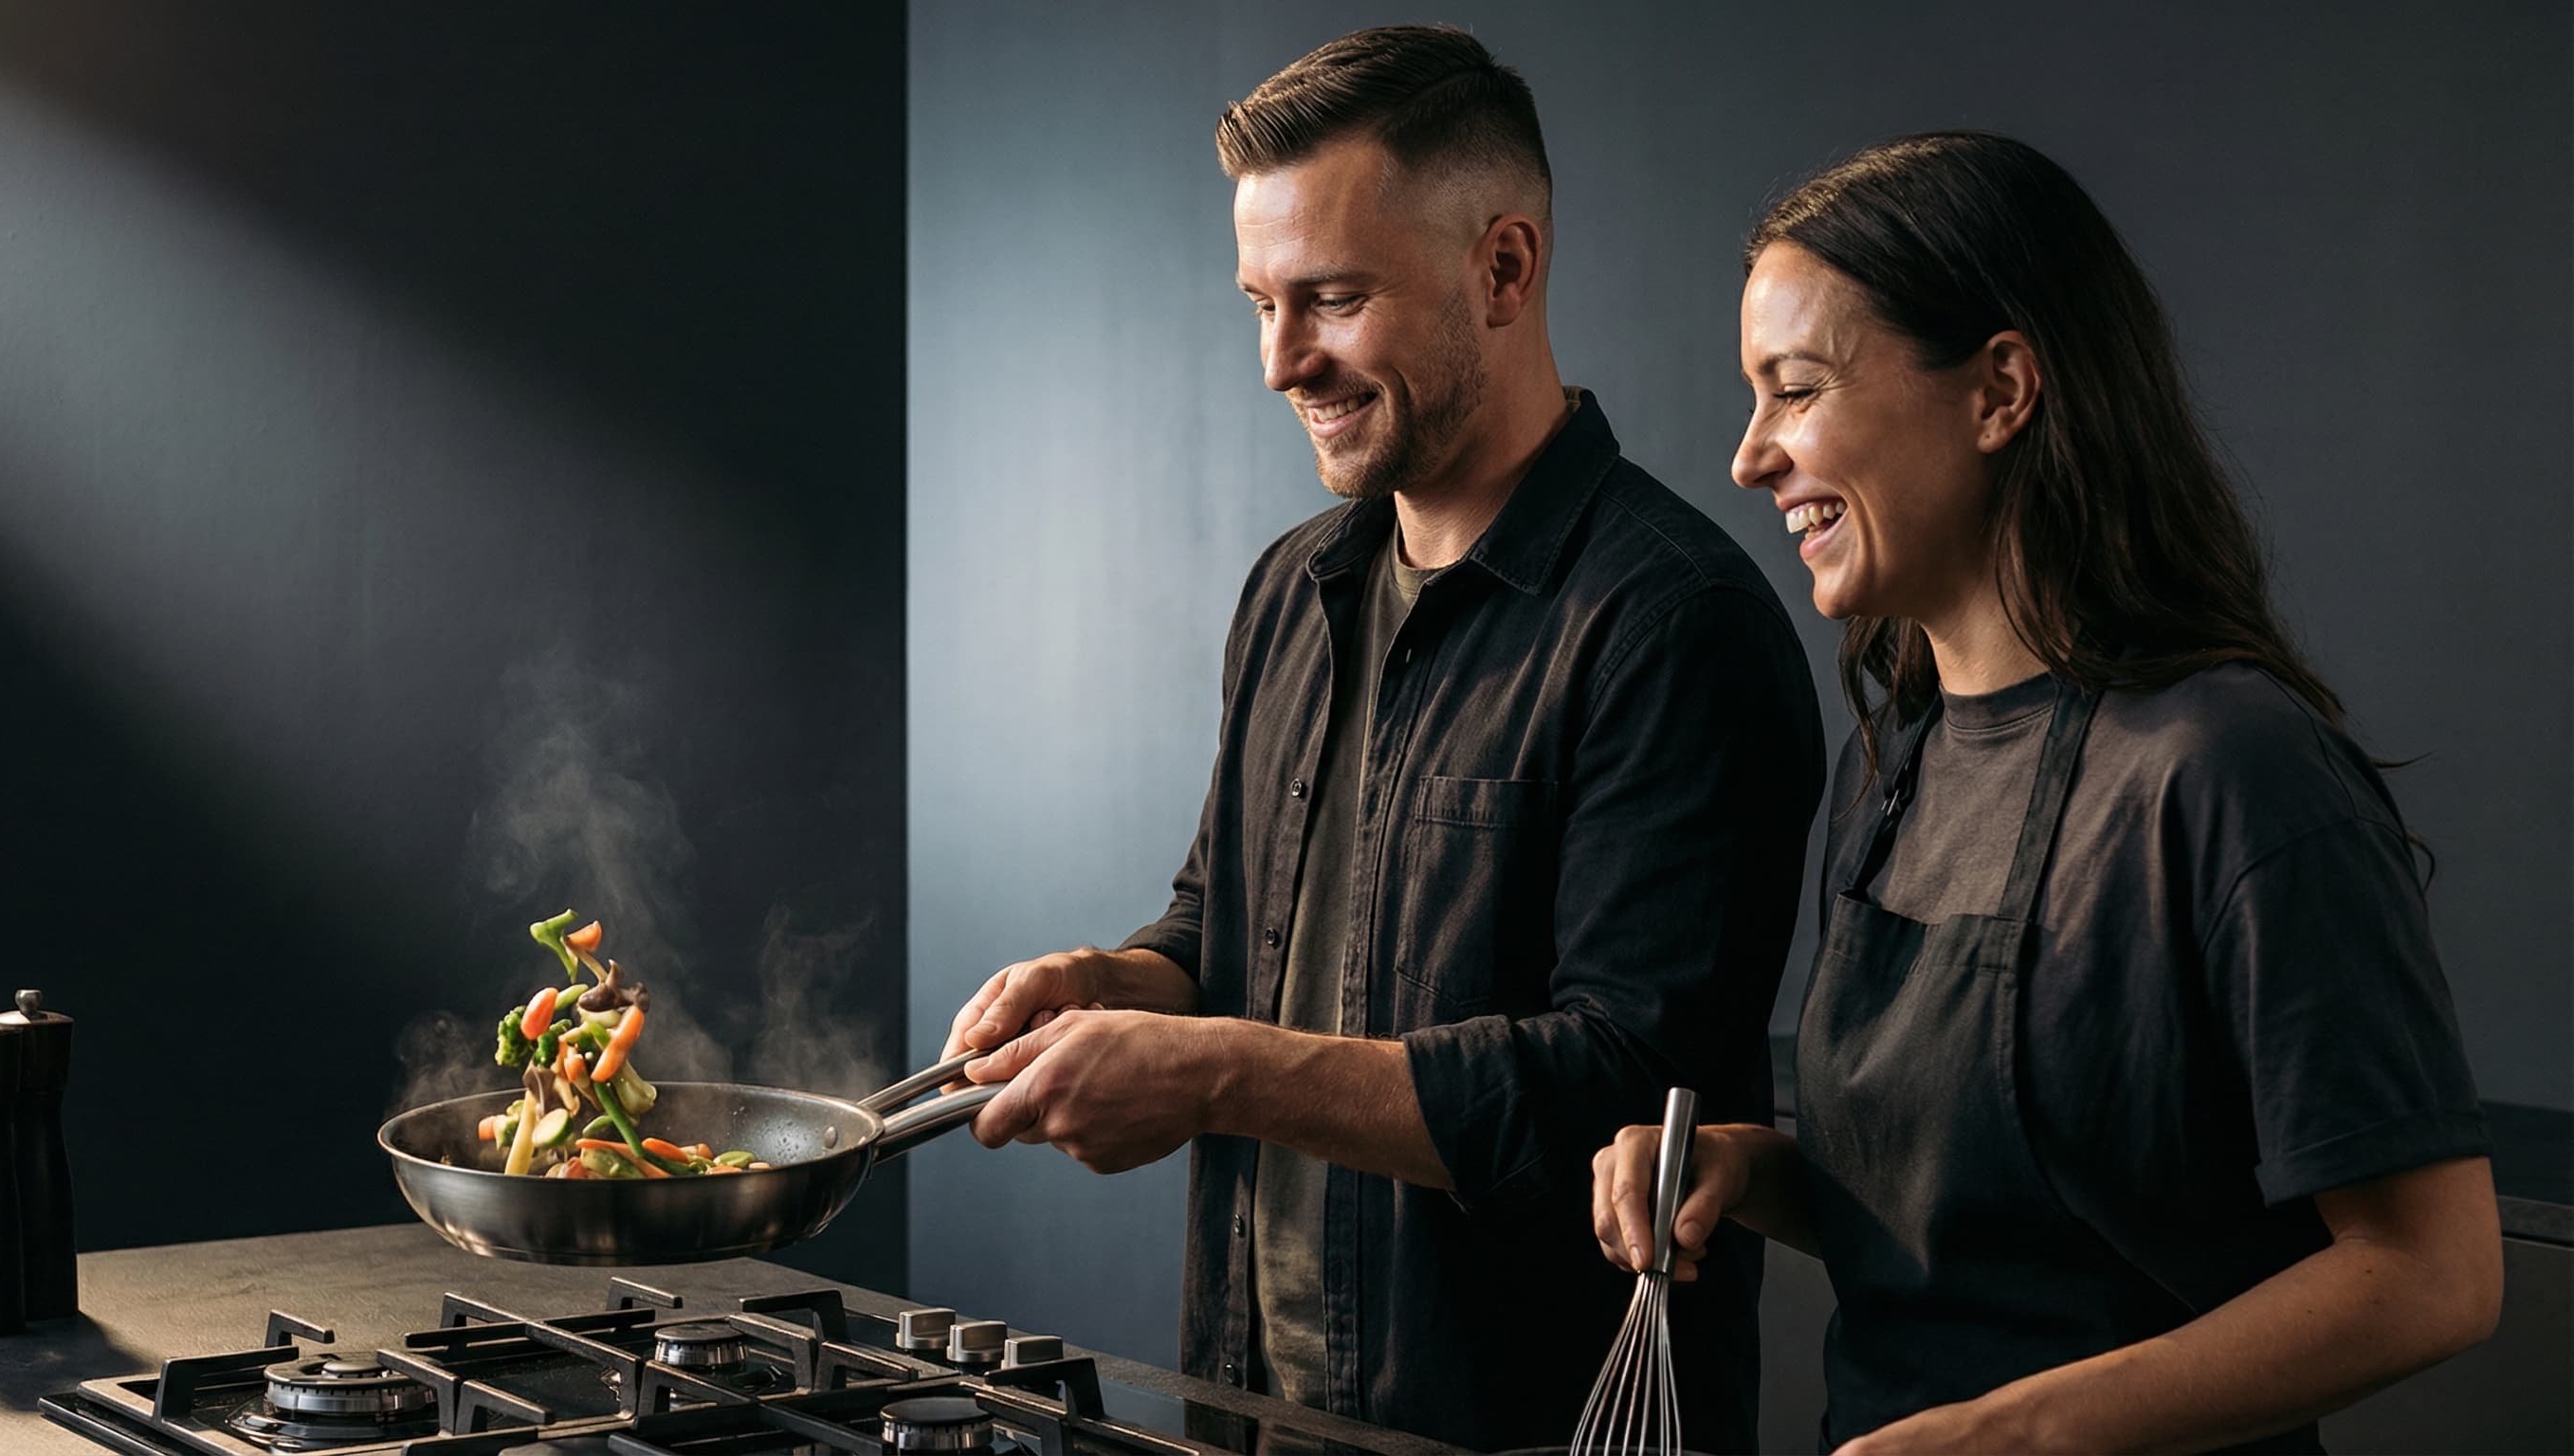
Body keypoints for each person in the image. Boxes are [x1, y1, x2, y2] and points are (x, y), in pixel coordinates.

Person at [943, 24, 1824, 1450]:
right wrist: (1115, 983)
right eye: (1259, 302)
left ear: (1505, 269)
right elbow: (1221, 926)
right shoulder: (1295, 590)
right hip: (1251, 1412)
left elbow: (1612, 1091)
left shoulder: (1676, 624)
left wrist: (1217, 1071)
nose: (1283, 360)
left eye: (1333, 299)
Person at [1592, 131, 2501, 1454]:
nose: (1749, 458)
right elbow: (1975, 1217)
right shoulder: (1889, 765)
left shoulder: (2229, 771)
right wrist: (1748, 1172)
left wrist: (2015, 1435)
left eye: (1794, 391)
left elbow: (2433, 1273)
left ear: (1999, 390)